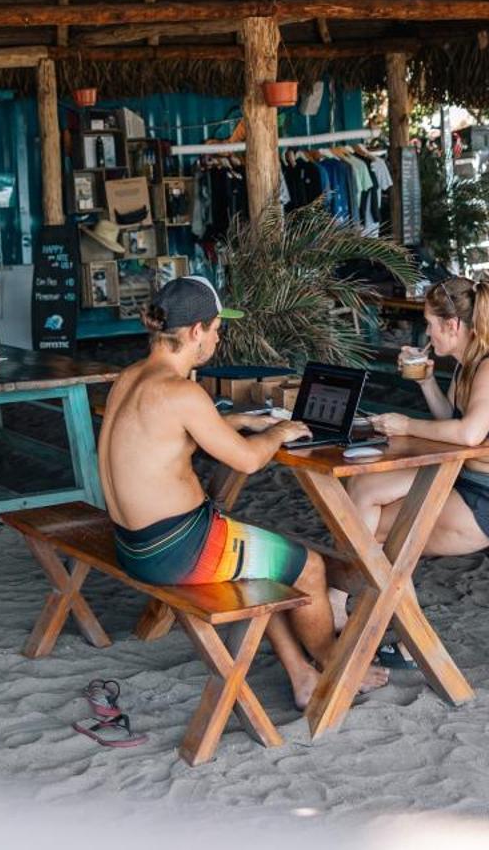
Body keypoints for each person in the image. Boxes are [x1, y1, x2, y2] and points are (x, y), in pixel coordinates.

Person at [98, 275, 382, 707]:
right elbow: (248, 461)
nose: (216, 336)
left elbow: (167, 435)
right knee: (308, 567)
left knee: (257, 559)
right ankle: (332, 661)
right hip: (177, 551)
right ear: (196, 332)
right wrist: (280, 430)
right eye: (215, 328)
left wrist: (237, 423)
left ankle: (300, 676)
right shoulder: (182, 391)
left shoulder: (132, 377)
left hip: (133, 545)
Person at [355, 277, 489, 559]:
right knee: (363, 486)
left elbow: (469, 434)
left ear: (452, 325)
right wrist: (427, 381)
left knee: (370, 526)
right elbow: (451, 417)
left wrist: (406, 425)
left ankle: (351, 595)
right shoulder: (468, 363)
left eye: (430, 323)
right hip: (466, 477)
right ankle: (355, 593)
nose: (428, 334)